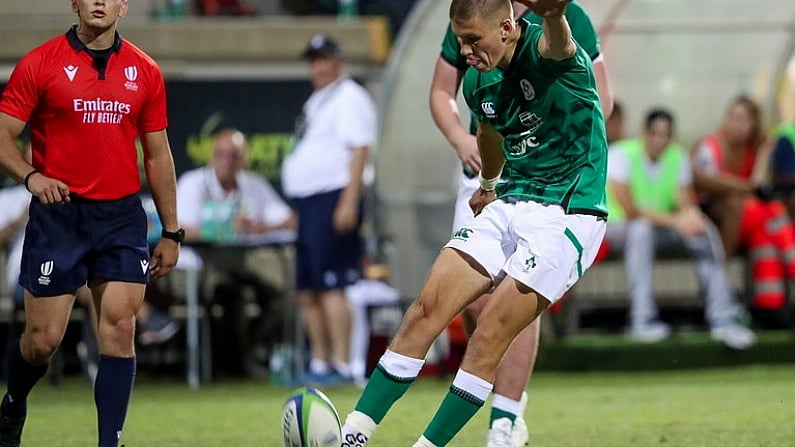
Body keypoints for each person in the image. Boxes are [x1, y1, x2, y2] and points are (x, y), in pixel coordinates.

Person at [340, 1, 607, 446]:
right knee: (426, 309)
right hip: (510, 198)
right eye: (460, 41)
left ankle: (480, 430)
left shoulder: (548, 50)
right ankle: (352, 436)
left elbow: (558, 45)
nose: (464, 51)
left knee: (490, 335)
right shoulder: (480, 79)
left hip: (568, 213)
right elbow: (490, 130)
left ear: (506, 28)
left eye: (471, 41)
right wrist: (487, 183)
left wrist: (557, 14)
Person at [427, 1, 612, 444]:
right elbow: (440, 91)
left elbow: (601, 95)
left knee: (519, 291)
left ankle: (505, 420)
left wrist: (566, 146)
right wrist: (460, 139)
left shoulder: (569, 18)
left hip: (543, 171)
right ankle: (490, 392)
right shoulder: (474, 15)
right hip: (485, 169)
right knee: (473, 303)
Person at [0, 0, 181, 445]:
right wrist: (31, 176)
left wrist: (173, 232)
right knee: (42, 340)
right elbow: (3, 136)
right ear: (76, 4)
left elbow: (158, 155)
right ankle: (13, 404)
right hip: (60, 216)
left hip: (120, 216)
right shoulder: (40, 64)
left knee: (120, 327)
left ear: (124, 6)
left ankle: (109, 442)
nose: (99, 2)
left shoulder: (145, 71)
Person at [605, 108, 756, 348]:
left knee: (702, 230)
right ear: (644, 133)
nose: (660, 140)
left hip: (659, 228)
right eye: (655, 134)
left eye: (665, 135)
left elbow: (683, 202)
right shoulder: (620, 154)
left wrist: (692, 218)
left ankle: (724, 318)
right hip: (616, 229)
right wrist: (677, 221)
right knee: (641, 230)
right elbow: (631, 211)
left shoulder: (677, 156)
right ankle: (642, 320)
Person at [281, 34, 376, 386]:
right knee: (307, 289)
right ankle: (320, 362)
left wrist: (348, 201)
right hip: (310, 202)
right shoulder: (317, 100)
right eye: (313, 60)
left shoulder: (349, 96)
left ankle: (342, 362)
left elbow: (359, 149)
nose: (317, 66)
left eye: (323, 59)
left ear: (339, 61)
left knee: (333, 285)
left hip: (333, 197)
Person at [176, 128, 297, 377]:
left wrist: (260, 226)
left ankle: (248, 352)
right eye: (222, 155)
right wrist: (224, 227)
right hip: (202, 263)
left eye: (234, 155)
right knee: (228, 294)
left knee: (284, 296)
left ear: (243, 159)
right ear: (212, 157)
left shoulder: (254, 185)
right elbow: (180, 229)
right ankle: (231, 362)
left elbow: (289, 220)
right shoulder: (193, 183)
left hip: (244, 261)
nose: (227, 162)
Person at [692, 96, 795, 314]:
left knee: (765, 240)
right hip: (716, 221)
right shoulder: (712, 146)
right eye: (733, 117)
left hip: (749, 223)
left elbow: (756, 188)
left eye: (744, 120)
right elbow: (706, 181)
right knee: (773, 212)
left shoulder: (751, 149)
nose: (737, 125)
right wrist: (745, 187)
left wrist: (763, 155)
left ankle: (770, 306)